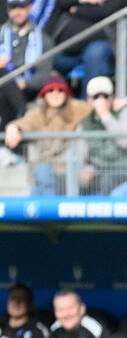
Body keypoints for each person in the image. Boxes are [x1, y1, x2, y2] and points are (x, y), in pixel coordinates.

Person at [3, 73, 91, 195]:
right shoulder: (38, 113)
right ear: (45, 95)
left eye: (60, 90)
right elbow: (23, 123)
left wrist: (116, 103)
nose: (55, 94)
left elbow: (97, 107)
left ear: (66, 93)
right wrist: (13, 127)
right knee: (43, 175)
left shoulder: (77, 108)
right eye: (51, 90)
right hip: (46, 165)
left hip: (71, 165)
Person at [76, 77, 127, 195]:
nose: (101, 101)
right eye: (96, 97)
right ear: (89, 100)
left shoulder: (126, 113)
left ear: (112, 98)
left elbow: (124, 141)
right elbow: (80, 154)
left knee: (108, 181)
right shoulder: (85, 123)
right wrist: (83, 170)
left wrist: (105, 115)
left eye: (105, 96)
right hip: (98, 172)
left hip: (126, 171)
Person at [0, 0, 53, 128]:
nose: (17, 12)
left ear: (29, 8)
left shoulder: (42, 39)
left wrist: (25, 83)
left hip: (27, 89)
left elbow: (44, 73)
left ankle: (19, 117)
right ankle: (22, 114)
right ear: (8, 11)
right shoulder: (2, 34)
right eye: (13, 8)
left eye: (21, 7)